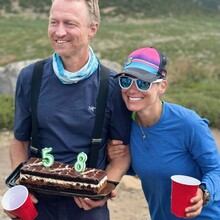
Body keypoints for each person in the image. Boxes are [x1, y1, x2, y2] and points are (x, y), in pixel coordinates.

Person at [4, 0, 131, 219]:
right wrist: (20, 185)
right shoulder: (30, 77)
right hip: (39, 202)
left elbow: (122, 153)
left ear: (93, 29)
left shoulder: (110, 85)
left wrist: (103, 190)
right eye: (54, 22)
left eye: (69, 23)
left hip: (86, 207)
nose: (59, 31)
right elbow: (20, 141)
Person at [108, 47, 220, 219]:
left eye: (143, 82)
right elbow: (146, 167)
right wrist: (112, 155)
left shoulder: (188, 123)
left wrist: (203, 193)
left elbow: (216, 170)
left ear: (162, 86)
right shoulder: (127, 126)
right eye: (126, 81)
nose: (132, 89)